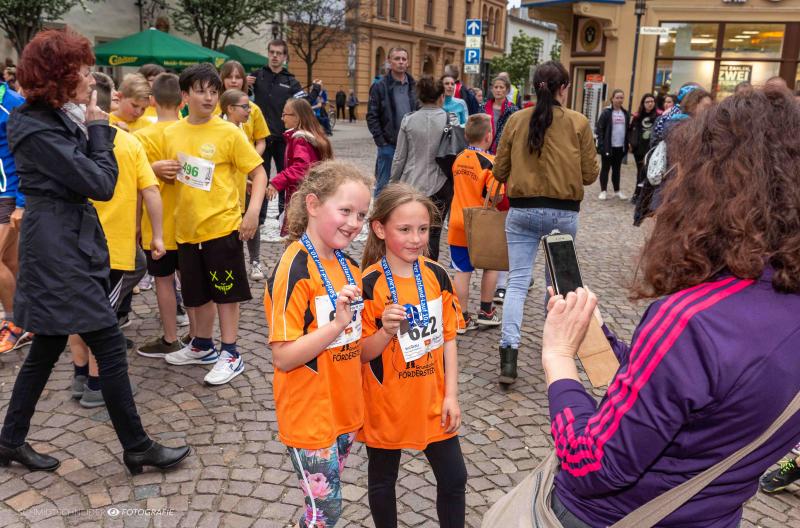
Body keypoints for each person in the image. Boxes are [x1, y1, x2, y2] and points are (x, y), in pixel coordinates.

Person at [538, 86, 800, 528]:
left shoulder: (692, 321)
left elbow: (590, 465)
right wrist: (601, 340)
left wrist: (558, 357)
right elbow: (693, 394)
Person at [0, 27, 189, 474]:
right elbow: (101, 183)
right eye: (83, 71)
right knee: (107, 340)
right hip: (57, 247)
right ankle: (137, 446)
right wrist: (100, 129)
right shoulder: (36, 125)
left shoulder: (55, 117)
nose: (92, 78)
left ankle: (8, 441)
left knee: (47, 345)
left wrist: (94, 127)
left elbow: (90, 169)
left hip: (65, 238)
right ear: (60, 77)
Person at [264, 160, 372, 528]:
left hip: (344, 411)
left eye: (361, 214)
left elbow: (356, 345)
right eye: (345, 211)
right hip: (310, 415)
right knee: (326, 512)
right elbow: (283, 356)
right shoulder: (293, 268)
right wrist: (337, 324)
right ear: (312, 204)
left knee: (318, 509)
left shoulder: (350, 267)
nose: (354, 223)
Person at [359, 183, 467, 528]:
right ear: (380, 229)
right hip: (386, 402)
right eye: (404, 229)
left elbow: (448, 339)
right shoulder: (368, 283)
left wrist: (451, 396)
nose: (416, 239)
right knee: (382, 481)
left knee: (454, 478)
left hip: (432, 399)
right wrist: (384, 331)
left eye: (422, 229)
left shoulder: (437, 275)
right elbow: (361, 354)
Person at [492, 61, 598, 385]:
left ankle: (509, 356)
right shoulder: (578, 122)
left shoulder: (516, 120)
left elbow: (499, 170)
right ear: (563, 88)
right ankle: (556, 353)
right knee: (560, 286)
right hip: (563, 212)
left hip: (522, 210)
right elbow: (590, 174)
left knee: (517, 283)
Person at [160, 63, 267, 386]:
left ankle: (231, 352)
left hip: (222, 227)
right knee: (197, 294)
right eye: (200, 91)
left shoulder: (229, 132)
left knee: (225, 293)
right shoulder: (171, 133)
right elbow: (170, 175)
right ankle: (202, 345)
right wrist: (159, 170)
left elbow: (258, 173)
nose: (208, 98)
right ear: (184, 96)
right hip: (186, 230)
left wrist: (252, 212)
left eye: (213, 91)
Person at [70, 72, 164, 408]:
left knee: (79, 312)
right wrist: (158, 235)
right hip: (112, 250)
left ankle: (80, 374)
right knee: (103, 319)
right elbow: (151, 191)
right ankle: (97, 385)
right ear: (113, 100)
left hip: (76, 245)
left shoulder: (71, 140)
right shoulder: (127, 142)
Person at [134, 72, 192, 359]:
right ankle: (198, 336)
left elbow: (135, 185)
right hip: (190, 222)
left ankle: (170, 338)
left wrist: (134, 224)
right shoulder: (190, 132)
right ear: (183, 100)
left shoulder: (140, 138)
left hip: (156, 226)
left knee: (163, 281)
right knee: (191, 280)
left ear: (151, 101)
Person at [247, 39, 321, 215]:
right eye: (272, 52)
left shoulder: (290, 81)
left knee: (286, 178)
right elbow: (240, 96)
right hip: (261, 139)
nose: (275, 56)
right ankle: (259, 217)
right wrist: (244, 83)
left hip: (283, 139)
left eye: (279, 53)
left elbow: (304, 103)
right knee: (260, 179)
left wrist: (316, 89)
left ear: (285, 57)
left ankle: (286, 215)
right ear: (268, 53)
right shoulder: (257, 76)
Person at [448, 114, 503, 331]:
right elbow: (496, 194)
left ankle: (461, 318)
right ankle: (486, 312)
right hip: (481, 224)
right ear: (488, 136)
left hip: (458, 221)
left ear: (466, 135)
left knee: (462, 271)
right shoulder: (491, 162)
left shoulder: (459, 158)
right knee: (491, 266)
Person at [219, 60, 270, 281]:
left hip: (247, 171)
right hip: (225, 177)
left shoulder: (252, 109)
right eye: (229, 76)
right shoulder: (215, 110)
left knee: (251, 216)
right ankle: (232, 263)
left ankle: (255, 261)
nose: (233, 80)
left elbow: (261, 140)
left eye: (238, 77)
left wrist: (250, 163)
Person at [389, 75, 449, 261]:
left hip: (412, 183)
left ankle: (408, 267)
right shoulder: (450, 120)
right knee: (434, 233)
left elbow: (400, 157)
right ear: (441, 97)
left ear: (419, 97)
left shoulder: (409, 120)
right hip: (441, 184)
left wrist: (393, 182)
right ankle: (430, 269)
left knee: (409, 230)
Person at [266, 98, 332, 236]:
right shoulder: (310, 136)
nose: (282, 118)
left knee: (298, 236)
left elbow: (301, 168)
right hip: (309, 195)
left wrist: (276, 182)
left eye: (285, 114)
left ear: (297, 117)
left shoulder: (300, 140)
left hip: (301, 197)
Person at [0, 72, 28, 354]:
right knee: (9, 260)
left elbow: (26, 155)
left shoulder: (12, 103)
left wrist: (21, 203)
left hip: (7, 196)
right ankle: (30, 319)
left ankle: (15, 324)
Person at [367, 47, 418, 196]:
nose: (401, 62)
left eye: (404, 59)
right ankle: (379, 211)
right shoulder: (379, 86)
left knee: (407, 187)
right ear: (389, 61)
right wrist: (381, 142)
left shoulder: (414, 86)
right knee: (384, 186)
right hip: (388, 145)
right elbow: (372, 116)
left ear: (408, 62)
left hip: (410, 144)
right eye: (397, 59)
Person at [595, 88, 630, 200]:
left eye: (621, 98)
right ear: (612, 99)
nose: (619, 100)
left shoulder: (625, 113)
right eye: (617, 97)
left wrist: (627, 144)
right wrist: (601, 145)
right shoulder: (606, 113)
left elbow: (627, 130)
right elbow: (599, 129)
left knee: (617, 169)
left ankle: (617, 191)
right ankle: (603, 191)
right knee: (605, 169)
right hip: (608, 146)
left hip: (620, 146)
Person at [628, 93, 660, 201]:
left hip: (652, 149)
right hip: (639, 149)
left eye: (652, 101)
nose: (650, 104)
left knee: (648, 172)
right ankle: (637, 194)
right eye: (647, 102)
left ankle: (645, 196)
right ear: (643, 103)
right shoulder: (637, 116)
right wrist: (631, 143)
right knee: (640, 172)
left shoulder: (658, 116)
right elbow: (630, 130)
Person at [485, 76, 519, 154]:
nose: (498, 90)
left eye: (501, 87)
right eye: (496, 87)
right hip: (485, 149)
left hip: (504, 149)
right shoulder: (483, 107)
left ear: (507, 90)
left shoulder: (513, 109)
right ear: (492, 89)